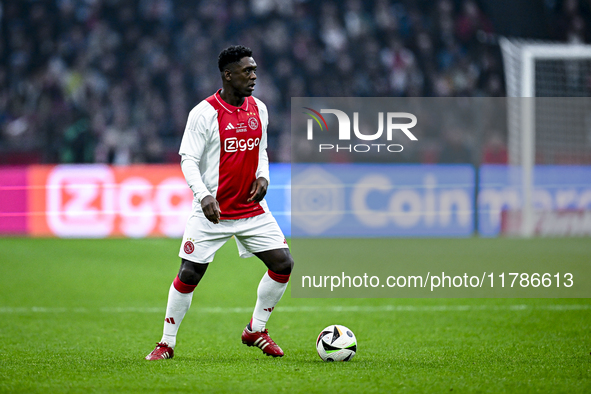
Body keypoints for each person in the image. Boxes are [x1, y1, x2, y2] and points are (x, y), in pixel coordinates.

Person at [146, 45, 294, 360]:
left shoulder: (260, 109)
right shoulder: (204, 113)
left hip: (251, 209)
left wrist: (264, 178)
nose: (254, 76)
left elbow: (262, 151)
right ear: (228, 75)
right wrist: (204, 196)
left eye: (254, 70)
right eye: (247, 71)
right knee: (189, 274)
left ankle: (256, 329)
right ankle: (166, 343)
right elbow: (188, 159)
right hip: (212, 211)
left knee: (283, 264)